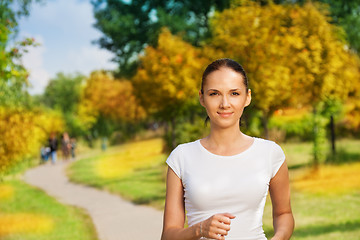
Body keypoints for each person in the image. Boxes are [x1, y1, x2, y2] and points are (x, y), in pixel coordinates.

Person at [161, 59, 294, 240]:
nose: (225, 103)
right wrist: (199, 229)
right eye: (214, 94)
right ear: (202, 98)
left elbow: (283, 214)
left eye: (234, 93)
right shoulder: (182, 157)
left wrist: (278, 238)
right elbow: (168, 235)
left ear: (247, 97)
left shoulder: (270, 153)